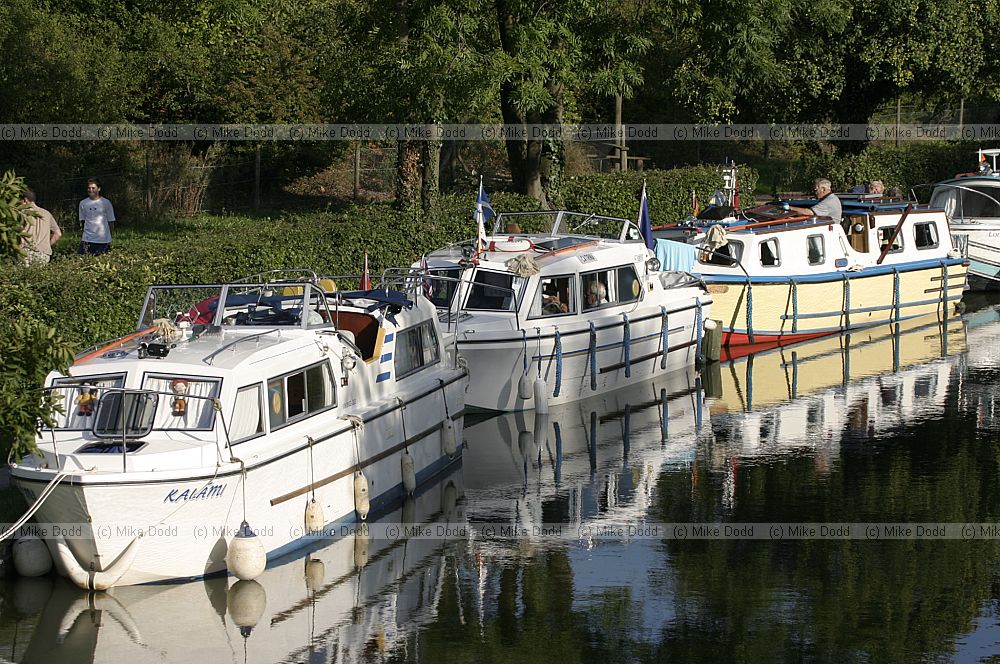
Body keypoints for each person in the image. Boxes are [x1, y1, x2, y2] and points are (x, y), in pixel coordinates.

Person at [19, 189, 61, 265]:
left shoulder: (22, 213)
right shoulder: (47, 214)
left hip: (26, 251)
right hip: (44, 253)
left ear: (25, 200)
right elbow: (58, 234)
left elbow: (20, 232)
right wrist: (48, 244)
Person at [79, 177, 116, 255]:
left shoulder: (106, 203)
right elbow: (82, 221)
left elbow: (111, 222)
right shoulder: (83, 203)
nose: (91, 190)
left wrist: (109, 238)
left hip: (102, 241)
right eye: (89, 188)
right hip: (87, 240)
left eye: (93, 188)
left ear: (99, 189)